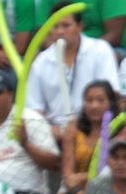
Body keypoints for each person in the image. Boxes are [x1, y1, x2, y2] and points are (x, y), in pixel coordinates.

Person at [24, 2, 120, 134]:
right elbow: (34, 108)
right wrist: (49, 131)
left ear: (80, 26)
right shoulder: (41, 61)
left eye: (66, 26)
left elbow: (111, 95)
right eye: (55, 26)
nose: (59, 31)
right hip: (53, 132)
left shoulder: (100, 50)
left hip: (93, 128)